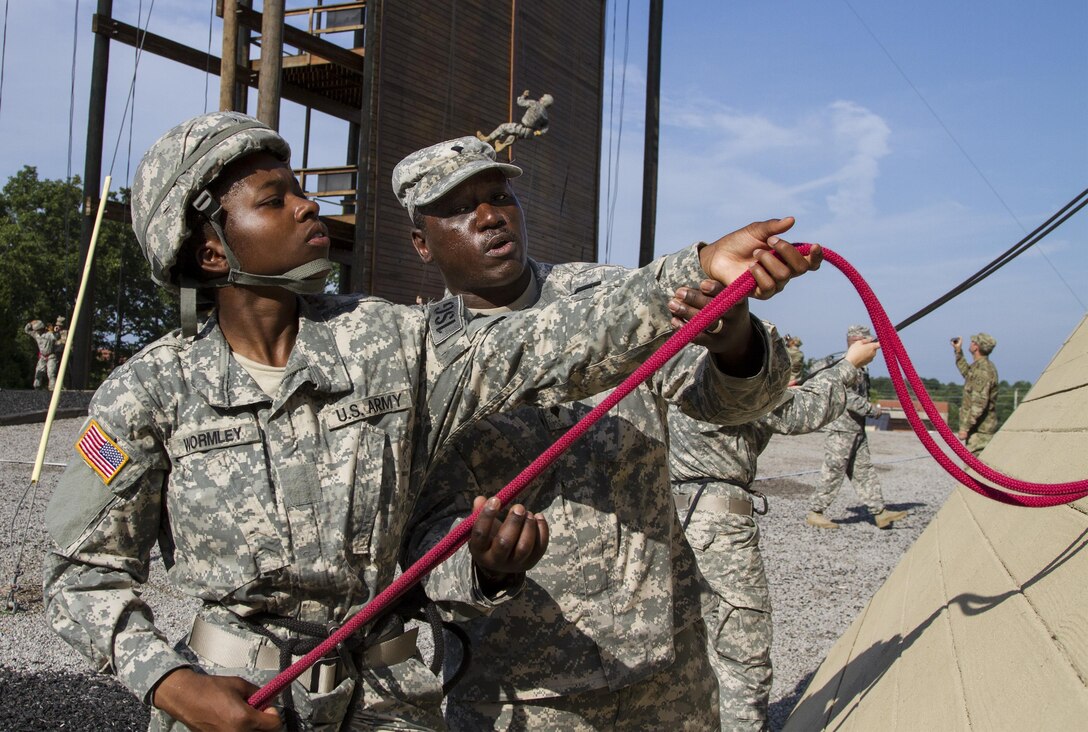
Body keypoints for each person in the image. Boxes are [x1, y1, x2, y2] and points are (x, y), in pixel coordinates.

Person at [41, 114, 817, 732]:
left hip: (389, 703)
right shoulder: (145, 393)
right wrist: (170, 683)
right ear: (210, 251)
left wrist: (694, 269)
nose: (310, 204)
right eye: (275, 199)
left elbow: (540, 347)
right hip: (238, 704)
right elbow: (81, 576)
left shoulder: (387, 342)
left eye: (300, 189)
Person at [396, 135, 820, 730]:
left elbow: (731, 405)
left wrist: (734, 343)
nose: (490, 216)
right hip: (524, 690)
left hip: (668, 669)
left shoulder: (613, 294)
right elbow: (415, 530)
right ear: (421, 242)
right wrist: (482, 566)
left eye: (499, 196)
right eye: (460, 207)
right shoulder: (414, 357)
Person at [669, 334, 881, 729]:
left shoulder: (672, 361)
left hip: (670, 517)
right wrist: (849, 366)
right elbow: (803, 412)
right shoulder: (726, 372)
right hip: (720, 525)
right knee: (742, 656)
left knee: (689, 647)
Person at [805, 324, 908, 530]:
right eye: (868, 341)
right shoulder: (845, 365)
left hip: (856, 428)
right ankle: (816, 511)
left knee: (864, 470)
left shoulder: (860, 366)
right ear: (857, 342)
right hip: (841, 428)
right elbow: (847, 397)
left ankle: (879, 512)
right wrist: (871, 410)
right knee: (834, 469)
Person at [952, 333, 998, 455]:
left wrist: (964, 428)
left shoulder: (983, 370)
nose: (970, 343)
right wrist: (958, 351)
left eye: (973, 342)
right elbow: (967, 373)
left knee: (974, 470)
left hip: (981, 433)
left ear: (976, 347)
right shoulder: (979, 366)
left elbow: (979, 404)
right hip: (977, 430)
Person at [476, 90, 553, 153]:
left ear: (544, 101)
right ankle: (502, 146)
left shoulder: (535, 104)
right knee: (513, 136)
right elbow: (545, 129)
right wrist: (537, 133)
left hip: (522, 127)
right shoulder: (545, 116)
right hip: (529, 133)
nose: (540, 98)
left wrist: (524, 95)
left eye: (542, 98)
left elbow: (520, 102)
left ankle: (487, 139)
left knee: (503, 127)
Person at [23, 318, 57, 389]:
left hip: (51, 357)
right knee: (38, 373)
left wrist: (56, 331)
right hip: (42, 357)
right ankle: (37, 388)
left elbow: (56, 336)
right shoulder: (36, 335)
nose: (37, 332)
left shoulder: (49, 335)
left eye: (38, 330)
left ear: (41, 329)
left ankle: (52, 389)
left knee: (51, 373)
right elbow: (26, 330)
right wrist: (31, 323)